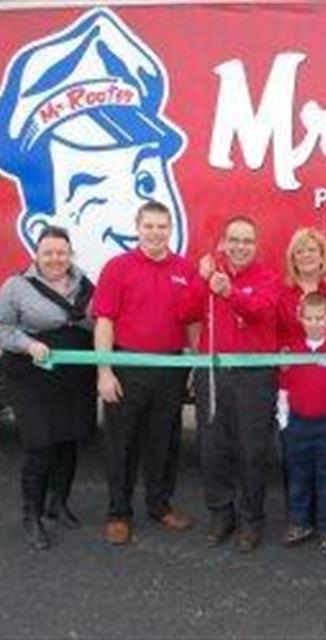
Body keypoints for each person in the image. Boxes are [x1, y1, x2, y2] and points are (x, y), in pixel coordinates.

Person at [0, 9, 188, 282]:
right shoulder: (19, 292)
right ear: (39, 230)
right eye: (95, 191)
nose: (135, 217)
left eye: (145, 183)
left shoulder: (183, 277)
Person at [93, 200, 196, 546]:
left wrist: (194, 365)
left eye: (162, 226)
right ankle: (118, 513)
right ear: (137, 228)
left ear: (171, 230)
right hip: (127, 366)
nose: (155, 232)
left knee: (165, 442)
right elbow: (104, 320)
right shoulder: (117, 268)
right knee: (121, 443)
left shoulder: (185, 269)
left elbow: (193, 322)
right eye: (149, 226)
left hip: (170, 369)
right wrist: (104, 371)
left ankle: (159, 505)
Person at [180, 216, 279, 553]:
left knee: (252, 449)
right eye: (234, 240)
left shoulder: (267, 277)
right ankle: (221, 513)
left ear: (256, 245)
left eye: (247, 241)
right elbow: (187, 312)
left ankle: (251, 518)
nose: (240, 247)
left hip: (255, 377)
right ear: (223, 242)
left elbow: (259, 312)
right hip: (215, 373)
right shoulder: (210, 275)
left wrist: (229, 291)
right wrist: (201, 279)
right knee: (213, 447)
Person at [0, 226, 95, 550]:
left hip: (74, 377)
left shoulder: (86, 286)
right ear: (36, 255)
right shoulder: (17, 286)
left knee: (68, 443)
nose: (55, 258)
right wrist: (28, 345)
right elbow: (3, 328)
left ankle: (59, 504)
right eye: (48, 252)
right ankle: (32, 516)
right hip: (31, 377)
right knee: (40, 447)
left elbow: (101, 322)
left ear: (70, 255)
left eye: (61, 252)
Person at [277, 292, 326, 555]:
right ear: (300, 319)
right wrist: (284, 423)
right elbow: (283, 392)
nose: (314, 323)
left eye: (319, 318)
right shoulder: (291, 354)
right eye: (309, 318)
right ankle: (299, 523)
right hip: (297, 426)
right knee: (298, 478)